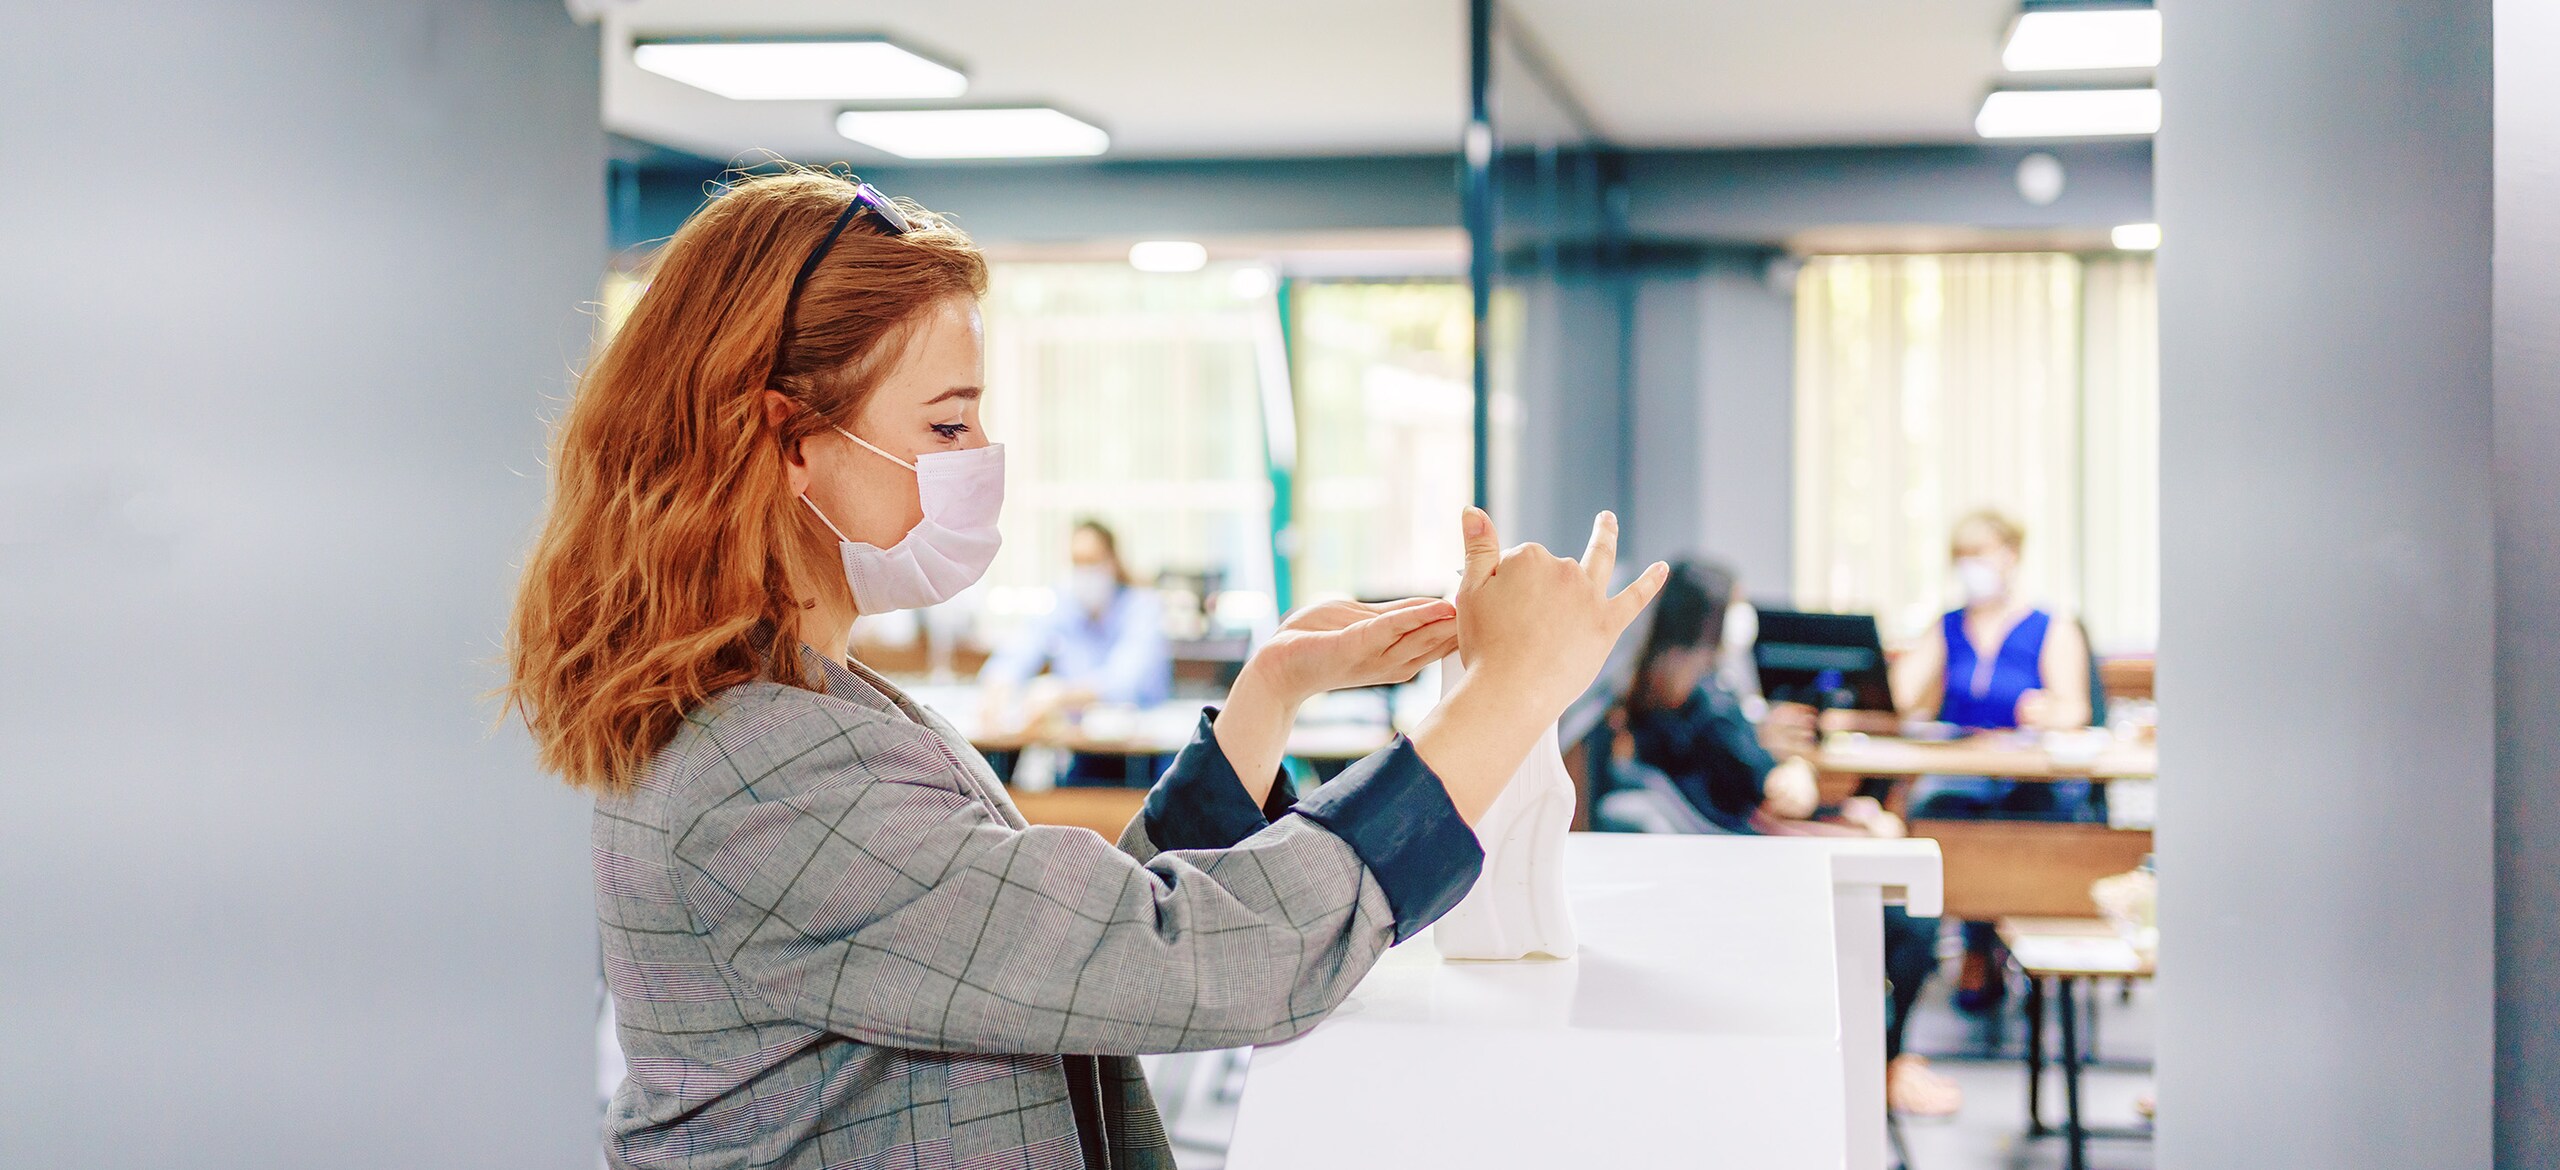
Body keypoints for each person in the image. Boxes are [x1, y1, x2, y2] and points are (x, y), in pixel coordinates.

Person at [501, 169, 1668, 1170]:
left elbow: (1045, 942)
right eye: (947, 428)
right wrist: (1511, 693)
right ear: (788, 441)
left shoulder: (803, 704)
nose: (982, 464)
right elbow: (1194, 958)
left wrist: (1266, 698)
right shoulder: (767, 774)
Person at [1612, 561, 1960, 1117]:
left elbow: (1729, 770)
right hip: (1747, 859)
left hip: (1726, 844)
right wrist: (1830, 795)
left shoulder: (1654, 689)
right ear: (1715, 617)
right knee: (1913, 921)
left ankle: (1889, 1063)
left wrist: (1763, 735)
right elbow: (1776, 795)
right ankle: (1888, 1065)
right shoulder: (1704, 698)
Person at [1889, 508, 2099, 1011]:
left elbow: (2076, 710)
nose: (1972, 567)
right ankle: (1973, 941)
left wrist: (2047, 711)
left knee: (2029, 815)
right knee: (1941, 809)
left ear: (2011, 556)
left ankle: (1999, 941)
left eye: (1981, 554)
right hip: (1962, 770)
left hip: (2027, 772)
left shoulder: (2052, 626)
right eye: (1962, 557)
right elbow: (1898, 697)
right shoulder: (1948, 627)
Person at [981, 518, 1172, 712]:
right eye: (1077, 562)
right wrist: (999, 686)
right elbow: (1019, 650)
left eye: (1091, 561)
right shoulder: (1064, 605)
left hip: (1138, 732)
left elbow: (1125, 682)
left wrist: (1061, 696)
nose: (1084, 571)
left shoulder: (1143, 607)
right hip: (1075, 734)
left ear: (1113, 562)